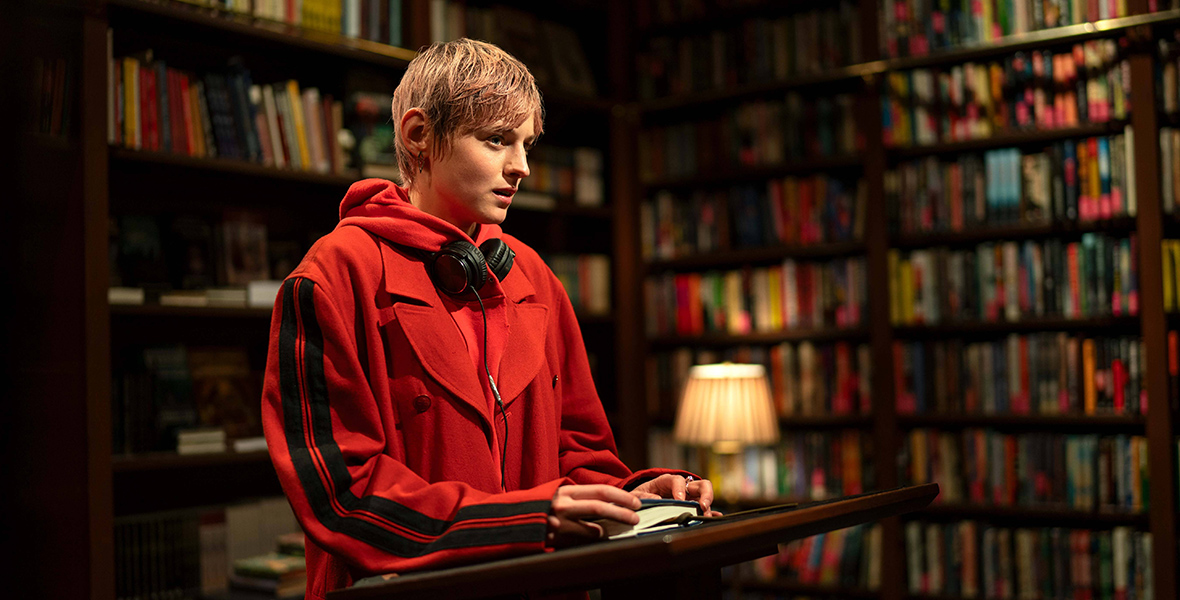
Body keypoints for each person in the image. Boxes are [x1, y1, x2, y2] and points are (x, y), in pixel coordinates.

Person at [261, 38, 718, 599]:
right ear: (418, 135)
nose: (521, 167)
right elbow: (342, 496)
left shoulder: (534, 277)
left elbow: (578, 454)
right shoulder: (332, 277)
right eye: (497, 140)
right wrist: (524, 521)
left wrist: (641, 495)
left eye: (527, 144)